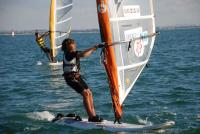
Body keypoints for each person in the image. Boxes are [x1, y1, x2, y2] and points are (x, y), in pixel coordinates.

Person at [61, 38, 104, 122]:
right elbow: (83, 55)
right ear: (68, 47)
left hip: (77, 77)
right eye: (72, 45)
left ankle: (94, 115)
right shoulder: (69, 54)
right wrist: (94, 47)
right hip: (70, 79)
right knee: (85, 94)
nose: (74, 46)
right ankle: (91, 117)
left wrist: (96, 48)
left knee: (89, 93)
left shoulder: (73, 53)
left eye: (74, 44)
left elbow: (85, 53)